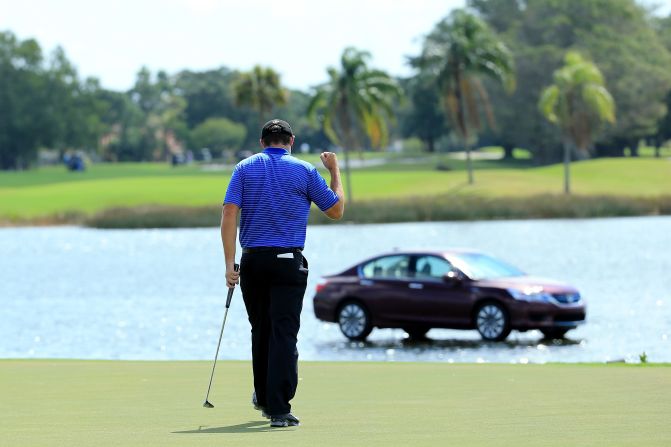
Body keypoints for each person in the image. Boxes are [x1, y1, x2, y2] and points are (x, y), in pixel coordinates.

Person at [221, 119, 344, 428]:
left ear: (263, 142)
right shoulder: (304, 170)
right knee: (283, 333)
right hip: (288, 261)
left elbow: (228, 212)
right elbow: (336, 210)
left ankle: (263, 397)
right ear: (291, 141)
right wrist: (335, 170)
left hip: (252, 262)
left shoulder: (244, 168)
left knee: (261, 329)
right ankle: (278, 409)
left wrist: (229, 264)